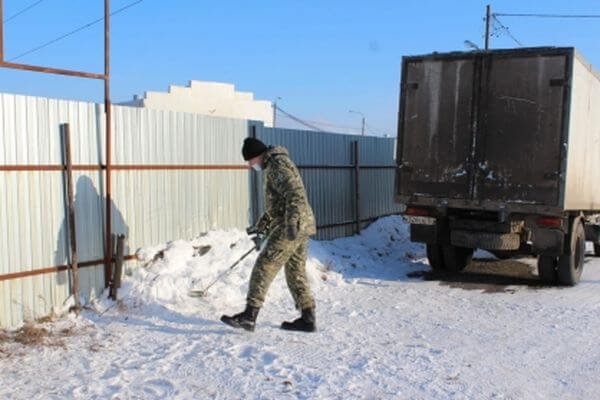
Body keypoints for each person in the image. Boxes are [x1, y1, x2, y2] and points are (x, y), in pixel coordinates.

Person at [221, 137, 317, 332]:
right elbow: (279, 203)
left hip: (292, 224)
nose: (250, 165)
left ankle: (249, 316)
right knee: (295, 271)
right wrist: (263, 224)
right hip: (302, 223)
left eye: (251, 160)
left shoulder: (277, 166)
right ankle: (307, 318)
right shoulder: (276, 163)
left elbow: (296, 194)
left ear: (259, 155)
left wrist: (291, 223)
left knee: (265, 265)